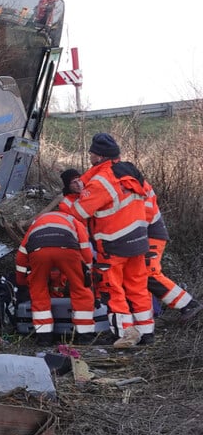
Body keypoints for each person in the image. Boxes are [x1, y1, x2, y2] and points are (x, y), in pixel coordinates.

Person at [71, 133, 153, 348]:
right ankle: (146, 333)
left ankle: (124, 335)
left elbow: (80, 212)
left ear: (98, 156)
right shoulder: (130, 172)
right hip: (138, 241)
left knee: (112, 289)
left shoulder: (102, 180)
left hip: (113, 245)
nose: (89, 156)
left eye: (91, 153)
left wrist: (81, 194)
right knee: (138, 288)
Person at [15, 209, 96, 345]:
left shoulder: (36, 225)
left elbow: (21, 256)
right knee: (81, 290)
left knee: (38, 292)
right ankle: (85, 335)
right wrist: (87, 274)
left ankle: (44, 336)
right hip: (67, 249)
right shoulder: (73, 221)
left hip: (38, 252)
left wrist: (22, 283)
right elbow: (85, 248)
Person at [143, 180, 203, 322]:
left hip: (148, 234)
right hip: (143, 234)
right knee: (139, 275)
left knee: (149, 273)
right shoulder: (127, 180)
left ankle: (188, 304)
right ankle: (147, 316)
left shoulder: (128, 182)